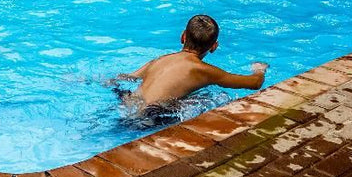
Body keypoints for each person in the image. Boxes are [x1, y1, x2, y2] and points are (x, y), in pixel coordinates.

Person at [112, 14, 266, 119]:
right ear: (214, 47)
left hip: (127, 102)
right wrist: (259, 69)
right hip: (150, 115)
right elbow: (254, 83)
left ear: (183, 36)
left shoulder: (161, 60)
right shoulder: (204, 71)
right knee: (210, 98)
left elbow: (126, 78)